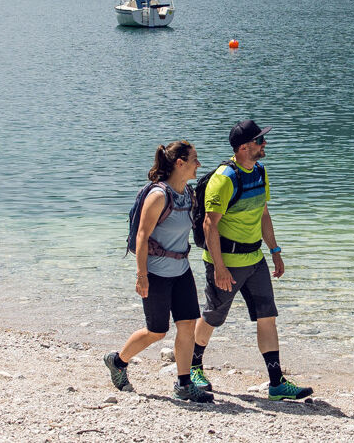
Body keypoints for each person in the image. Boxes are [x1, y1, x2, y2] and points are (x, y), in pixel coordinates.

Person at [189, 120, 312, 401]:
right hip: (227, 263)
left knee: (267, 317)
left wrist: (275, 250)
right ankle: (194, 368)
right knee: (212, 317)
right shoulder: (224, 179)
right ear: (243, 147)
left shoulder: (259, 172)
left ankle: (276, 383)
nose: (264, 144)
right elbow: (210, 225)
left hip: (255, 259)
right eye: (259, 141)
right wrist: (219, 267)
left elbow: (264, 214)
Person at [103, 141, 214, 403]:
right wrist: (141, 275)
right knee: (157, 331)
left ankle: (184, 384)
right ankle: (118, 361)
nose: (198, 164)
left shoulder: (188, 193)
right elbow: (142, 236)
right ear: (180, 163)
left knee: (187, 326)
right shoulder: (158, 196)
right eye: (195, 160)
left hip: (182, 271)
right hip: (155, 274)